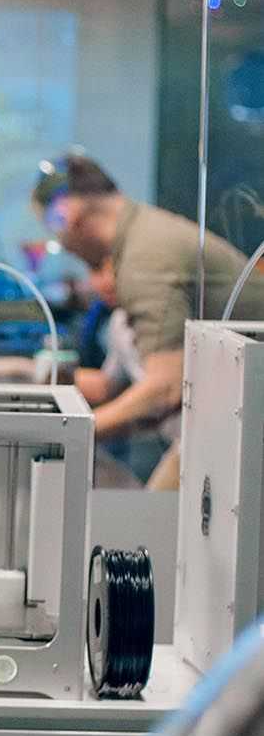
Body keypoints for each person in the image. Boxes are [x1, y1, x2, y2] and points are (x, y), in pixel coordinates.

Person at [32, 153, 261, 486]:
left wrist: (68, 435)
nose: (62, 247)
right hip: (222, 432)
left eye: (53, 231)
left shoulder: (144, 257)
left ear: (66, 215)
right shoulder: (144, 235)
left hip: (243, 440)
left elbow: (164, 388)